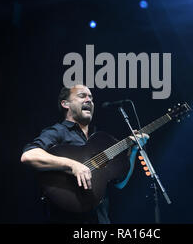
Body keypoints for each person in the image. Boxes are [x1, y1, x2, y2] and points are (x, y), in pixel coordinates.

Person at [21, 84, 149, 224]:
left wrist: (134, 150)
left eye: (91, 98)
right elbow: (29, 155)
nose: (89, 100)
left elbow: (120, 184)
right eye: (82, 96)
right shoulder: (58, 131)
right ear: (65, 104)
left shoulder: (99, 141)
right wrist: (72, 165)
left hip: (101, 219)